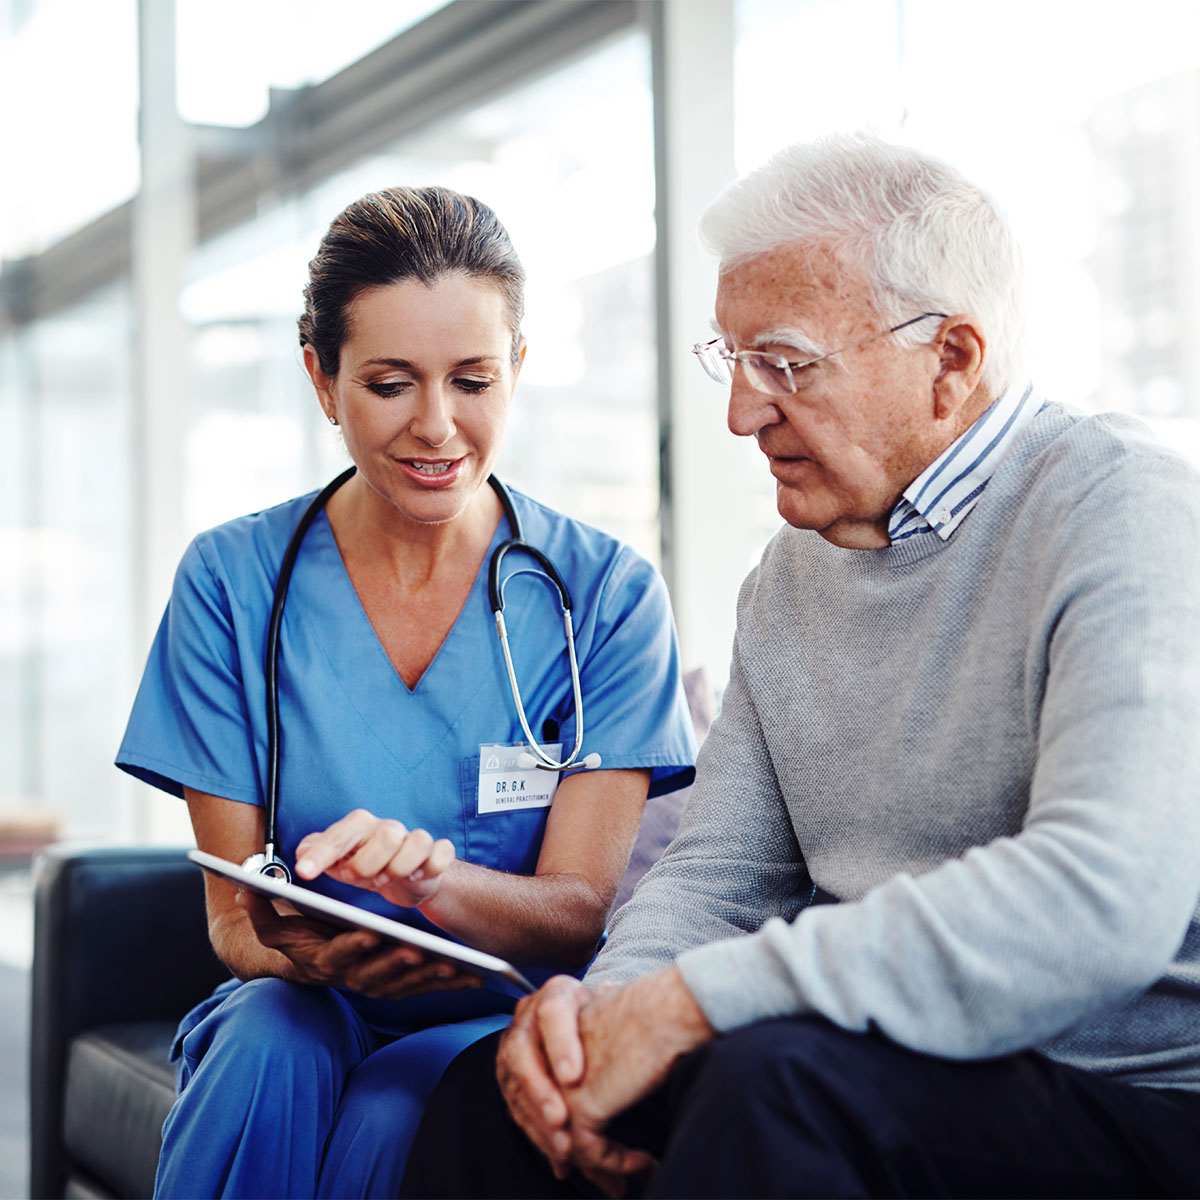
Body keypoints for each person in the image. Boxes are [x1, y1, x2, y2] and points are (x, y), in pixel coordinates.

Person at [399, 134, 1200, 1199]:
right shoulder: (787, 578)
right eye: (731, 362)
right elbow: (719, 874)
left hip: (1118, 1089)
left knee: (770, 1086)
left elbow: (1106, 896)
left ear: (950, 361)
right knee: (489, 1098)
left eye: (784, 362)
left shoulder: (1123, 508)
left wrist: (696, 1004)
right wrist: (606, 1015)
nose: (741, 412)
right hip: (867, 1063)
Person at [115, 185, 697, 1199]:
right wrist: (301, 947)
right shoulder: (230, 583)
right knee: (266, 1046)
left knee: (397, 1109)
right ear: (321, 377)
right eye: (390, 383)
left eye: (473, 379)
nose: (438, 427)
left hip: (497, 1008)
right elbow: (233, 922)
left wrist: (429, 894)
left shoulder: (605, 596)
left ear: (518, 368)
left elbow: (578, 912)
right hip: (300, 1000)